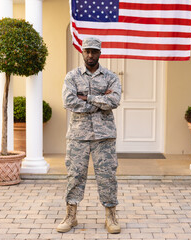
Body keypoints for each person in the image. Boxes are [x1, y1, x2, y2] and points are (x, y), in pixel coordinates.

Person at [57, 37, 122, 234]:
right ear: (82, 52)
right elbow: (68, 101)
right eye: (87, 51)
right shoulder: (72, 76)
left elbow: (115, 100)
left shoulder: (111, 77)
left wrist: (87, 97)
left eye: (94, 51)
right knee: (74, 175)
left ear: (100, 53)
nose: (90, 55)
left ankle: (110, 216)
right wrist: (101, 101)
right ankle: (71, 216)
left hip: (104, 136)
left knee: (107, 177)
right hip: (78, 136)